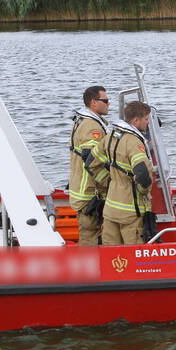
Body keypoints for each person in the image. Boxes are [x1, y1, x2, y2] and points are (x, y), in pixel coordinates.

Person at [96, 101, 153, 246]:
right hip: (131, 211)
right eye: (146, 119)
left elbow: (91, 162)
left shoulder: (110, 137)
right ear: (136, 120)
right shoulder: (134, 142)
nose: (148, 123)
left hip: (110, 208)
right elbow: (142, 175)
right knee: (134, 252)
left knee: (111, 253)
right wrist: (143, 192)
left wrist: (109, 182)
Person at [68, 85, 111, 245]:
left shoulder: (82, 121)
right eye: (105, 100)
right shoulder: (92, 126)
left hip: (82, 188)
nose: (109, 103)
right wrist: (109, 182)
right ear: (94, 102)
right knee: (90, 234)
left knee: (91, 233)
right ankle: (89, 262)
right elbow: (91, 160)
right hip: (90, 192)